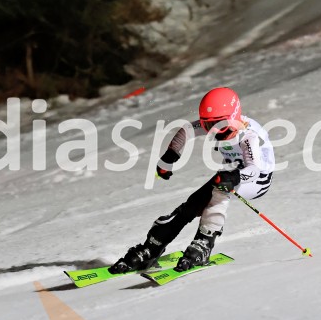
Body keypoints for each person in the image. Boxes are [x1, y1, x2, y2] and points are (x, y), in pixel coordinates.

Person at [110, 87, 275, 273]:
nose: (214, 130)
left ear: (233, 117)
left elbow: (254, 169)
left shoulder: (250, 136)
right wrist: (170, 157)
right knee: (192, 205)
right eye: (207, 125)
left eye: (220, 124)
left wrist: (235, 176)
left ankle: (204, 242)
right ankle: (153, 246)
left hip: (257, 179)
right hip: (231, 171)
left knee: (219, 191)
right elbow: (187, 130)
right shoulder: (220, 122)